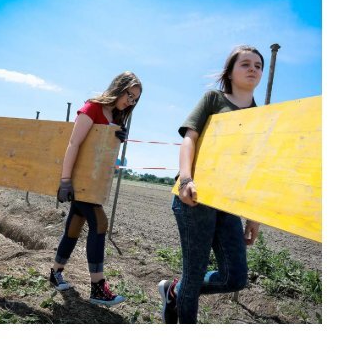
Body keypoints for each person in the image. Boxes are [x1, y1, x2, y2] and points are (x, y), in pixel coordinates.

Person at [158, 45, 263, 323]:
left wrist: (253, 216)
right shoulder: (213, 99)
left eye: (258, 65)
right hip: (195, 197)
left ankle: (174, 290)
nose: (253, 68)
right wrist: (186, 179)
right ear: (230, 72)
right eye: (246, 64)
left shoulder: (259, 116)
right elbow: (189, 139)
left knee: (235, 277)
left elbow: (252, 166)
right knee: (194, 275)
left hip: (227, 204)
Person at [50, 71, 142, 306]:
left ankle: (56, 272)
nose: (129, 101)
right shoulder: (92, 108)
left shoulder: (116, 116)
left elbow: (103, 152)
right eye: (128, 95)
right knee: (99, 223)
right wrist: (65, 180)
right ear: (118, 87)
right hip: (79, 180)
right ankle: (98, 287)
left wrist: (119, 138)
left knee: (74, 226)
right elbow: (74, 143)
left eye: (134, 99)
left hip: (94, 182)